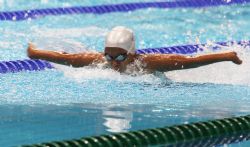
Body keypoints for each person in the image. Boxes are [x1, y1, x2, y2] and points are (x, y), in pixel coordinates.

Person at [27, 26, 242, 74]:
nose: (113, 62)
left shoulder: (149, 63)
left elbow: (190, 61)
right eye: (108, 55)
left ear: (131, 54)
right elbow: (71, 59)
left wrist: (226, 56)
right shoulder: (100, 61)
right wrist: (36, 54)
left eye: (119, 56)